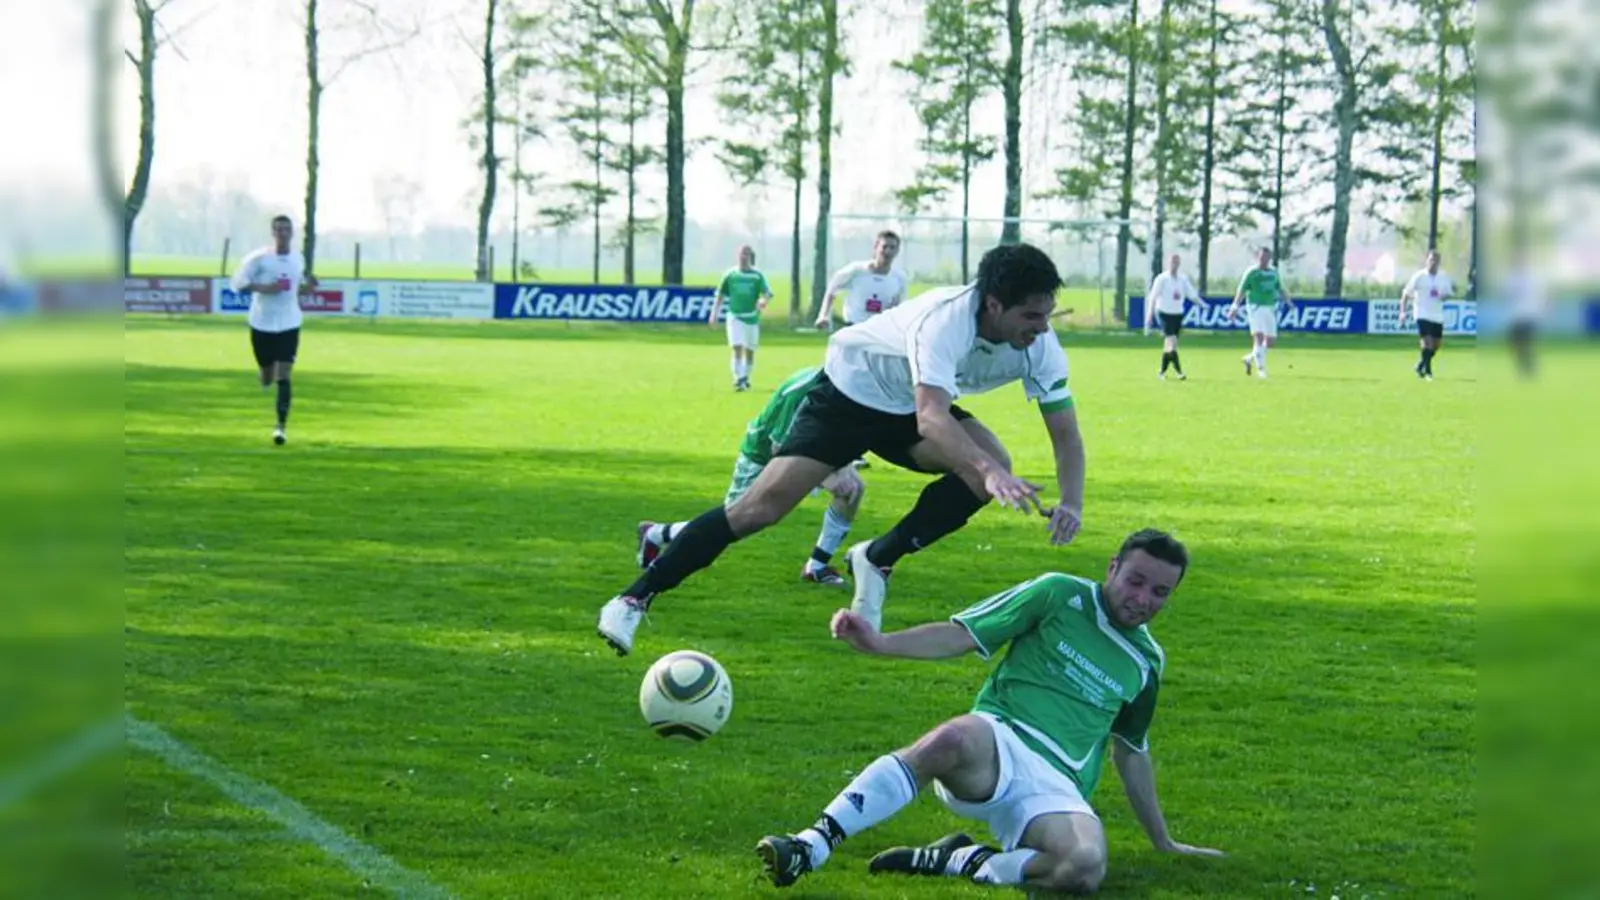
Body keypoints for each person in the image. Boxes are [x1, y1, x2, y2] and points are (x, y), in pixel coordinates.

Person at [597, 242, 1088, 657]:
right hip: (848, 397)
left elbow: (1065, 432)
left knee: (989, 469)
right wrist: (987, 470)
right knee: (757, 510)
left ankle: (875, 558)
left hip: (905, 409)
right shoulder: (946, 321)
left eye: (1046, 315)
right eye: (1031, 315)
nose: (1042, 327)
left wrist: (1071, 502)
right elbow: (933, 419)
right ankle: (632, 599)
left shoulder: (1040, 347)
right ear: (994, 304)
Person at [754, 528, 1223, 891]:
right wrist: (879, 643)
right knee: (949, 739)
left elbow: (1131, 750)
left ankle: (961, 859)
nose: (1142, 599)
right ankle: (809, 845)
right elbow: (963, 634)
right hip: (997, 742)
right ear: (1113, 566)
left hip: (1058, 787)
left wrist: (1163, 839)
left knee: (1083, 868)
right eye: (1135, 581)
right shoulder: (1059, 594)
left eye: (1159, 593)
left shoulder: (1146, 661)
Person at [637, 365, 866, 587]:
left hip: (810, 447)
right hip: (762, 454)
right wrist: (824, 476)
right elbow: (781, 446)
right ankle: (656, 533)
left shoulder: (846, 387)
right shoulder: (803, 390)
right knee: (735, 520)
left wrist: (841, 467)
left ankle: (816, 567)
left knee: (853, 488)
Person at [231, 215, 315, 445]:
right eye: (278, 229)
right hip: (262, 323)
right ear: (272, 232)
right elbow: (237, 284)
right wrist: (265, 288)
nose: (282, 233)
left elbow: (297, 292)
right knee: (267, 377)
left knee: (284, 374)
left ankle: (280, 428)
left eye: (286, 229)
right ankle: (265, 375)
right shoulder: (259, 259)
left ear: (292, 233)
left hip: (289, 323)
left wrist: (309, 288)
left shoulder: (298, 258)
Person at [708, 245, 773, 391]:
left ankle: (746, 377)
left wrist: (763, 301)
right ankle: (739, 379)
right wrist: (714, 314)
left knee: (749, 350)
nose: (743, 257)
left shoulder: (757, 276)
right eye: (741, 255)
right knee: (737, 347)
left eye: (746, 255)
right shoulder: (730, 275)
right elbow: (720, 295)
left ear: (751, 257)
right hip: (734, 316)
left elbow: (767, 293)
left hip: (752, 318)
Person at [815, 231, 908, 330]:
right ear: (876, 247)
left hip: (880, 330)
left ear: (897, 251)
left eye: (892, 247)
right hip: (854, 326)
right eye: (884, 247)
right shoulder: (856, 270)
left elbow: (900, 305)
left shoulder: (899, 278)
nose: (888, 252)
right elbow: (832, 289)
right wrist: (823, 315)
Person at [1225, 247, 1294, 379]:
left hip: (1270, 307)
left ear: (1270, 258)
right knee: (1259, 337)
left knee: (1271, 341)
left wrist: (1289, 302)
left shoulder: (1273, 272)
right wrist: (1234, 306)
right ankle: (1261, 370)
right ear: (1258, 258)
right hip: (1255, 307)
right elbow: (1242, 289)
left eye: (1266, 258)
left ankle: (1249, 358)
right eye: (1262, 257)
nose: (1264, 260)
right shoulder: (1252, 272)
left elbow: (1280, 288)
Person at [1143, 253, 1207, 380]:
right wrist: (1149, 314)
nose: (1174, 265)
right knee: (1171, 342)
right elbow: (1153, 297)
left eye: (1177, 262)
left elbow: (1192, 295)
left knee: (1170, 346)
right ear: (1168, 263)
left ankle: (1161, 372)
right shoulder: (1162, 279)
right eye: (1172, 262)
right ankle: (1179, 372)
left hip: (1177, 314)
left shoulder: (1182, 279)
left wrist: (1202, 305)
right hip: (1163, 313)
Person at [1398, 249, 1455, 381]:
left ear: (1439, 262)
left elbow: (1449, 294)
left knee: (1436, 345)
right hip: (1422, 313)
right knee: (1427, 343)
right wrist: (1402, 312)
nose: (1433, 263)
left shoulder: (1443, 277)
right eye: (1431, 260)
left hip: (1437, 315)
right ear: (1426, 261)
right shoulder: (1419, 276)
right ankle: (1428, 372)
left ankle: (1420, 365)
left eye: (1436, 260)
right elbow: (1406, 294)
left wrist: (1443, 296)